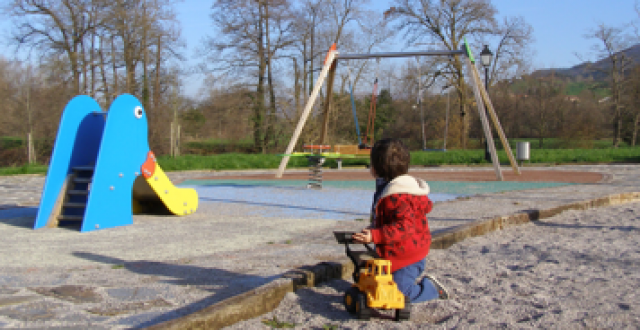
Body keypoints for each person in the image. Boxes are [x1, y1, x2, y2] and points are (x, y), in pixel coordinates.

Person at [352, 138, 449, 303]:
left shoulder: (398, 196)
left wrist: (376, 236)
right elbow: (389, 218)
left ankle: (432, 289)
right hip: (398, 250)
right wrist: (373, 229)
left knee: (398, 294)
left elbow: (405, 227)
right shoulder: (389, 188)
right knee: (378, 282)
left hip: (408, 256)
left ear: (376, 168)